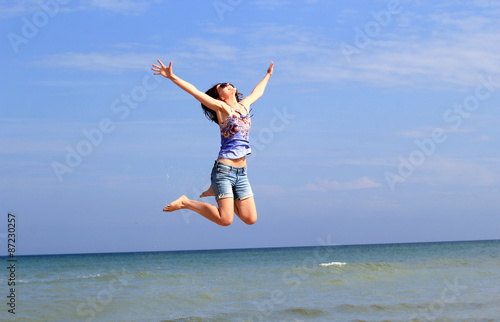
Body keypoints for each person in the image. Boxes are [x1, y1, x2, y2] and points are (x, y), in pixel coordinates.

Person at [151, 60, 273, 226]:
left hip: (242, 173)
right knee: (226, 220)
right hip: (224, 171)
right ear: (220, 96)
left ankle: (215, 190)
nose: (228, 84)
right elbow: (195, 92)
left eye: (230, 83)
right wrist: (172, 77)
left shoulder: (244, 106)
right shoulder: (222, 109)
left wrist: (268, 75)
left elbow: (258, 92)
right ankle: (186, 202)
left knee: (250, 219)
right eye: (223, 85)